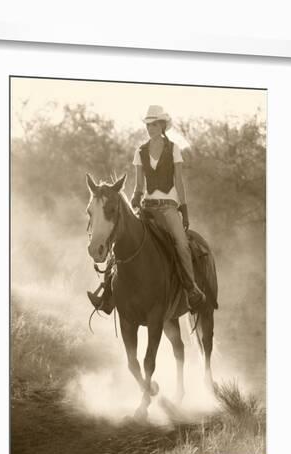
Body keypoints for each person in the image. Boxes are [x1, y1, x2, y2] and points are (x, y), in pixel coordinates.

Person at [87, 105, 206, 314]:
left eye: (154, 124)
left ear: (162, 125)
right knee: (120, 239)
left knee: (181, 244)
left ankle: (191, 289)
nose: (150, 128)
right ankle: (107, 294)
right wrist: (135, 197)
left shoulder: (174, 149)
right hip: (147, 208)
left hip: (169, 208)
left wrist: (184, 208)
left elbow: (178, 181)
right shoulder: (140, 151)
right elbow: (140, 185)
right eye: (148, 125)